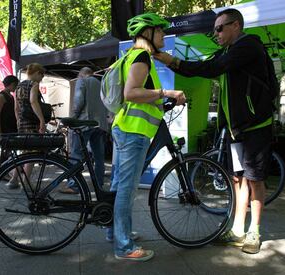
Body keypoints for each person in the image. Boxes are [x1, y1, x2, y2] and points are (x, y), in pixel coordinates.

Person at [154, 8, 273, 254]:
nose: (215, 33)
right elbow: (202, 67)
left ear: (236, 26)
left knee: (255, 179)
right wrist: (173, 62)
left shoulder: (248, 46)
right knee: (238, 178)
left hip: (255, 126)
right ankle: (238, 230)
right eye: (214, 29)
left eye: (219, 28)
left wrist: (172, 60)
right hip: (235, 129)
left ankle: (254, 232)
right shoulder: (228, 52)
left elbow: (211, 69)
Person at [107, 13, 186, 262]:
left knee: (120, 184)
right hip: (133, 131)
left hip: (126, 127)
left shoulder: (131, 55)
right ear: (148, 34)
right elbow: (132, 93)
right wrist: (167, 91)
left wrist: (160, 98)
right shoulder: (141, 56)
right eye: (160, 31)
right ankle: (123, 246)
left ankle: (115, 231)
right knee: (126, 189)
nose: (163, 35)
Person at [59, 67, 108, 194]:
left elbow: (78, 102)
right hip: (100, 124)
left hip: (84, 123)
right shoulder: (101, 83)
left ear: (82, 74)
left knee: (76, 154)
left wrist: (73, 119)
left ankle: (74, 185)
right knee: (99, 157)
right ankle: (99, 184)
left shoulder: (82, 81)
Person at [8, 63, 46, 189]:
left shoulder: (19, 86)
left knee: (24, 152)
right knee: (32, 152)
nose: (42, 78)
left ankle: (14, 179)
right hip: (31, 122)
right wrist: (41, 120)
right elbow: (33, 101)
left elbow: (16, 107)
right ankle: (26, 182)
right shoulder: (33, 84)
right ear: (37, 73)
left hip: (22, 123)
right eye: (42, 75)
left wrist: (18, 120)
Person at [0, 75, 19, 172]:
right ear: (10, 84)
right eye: (15, 85)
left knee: (8, 150)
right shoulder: (1, 96)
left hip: (10, 127)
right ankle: (1, 171)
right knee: (5, 150)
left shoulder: (10, 96)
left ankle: (3, 169)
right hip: (4, 127)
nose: (16, 87)